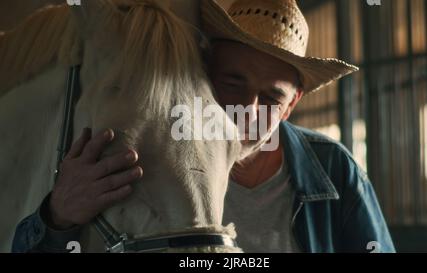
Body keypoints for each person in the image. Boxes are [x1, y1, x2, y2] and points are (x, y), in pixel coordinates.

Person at [11, 0, 395, 253]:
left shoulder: (333, 170)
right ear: (203, 76)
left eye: (272, 99)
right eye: (233, 83)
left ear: (292, 105)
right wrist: (57, 217)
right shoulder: (146, 151)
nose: (247, 108)